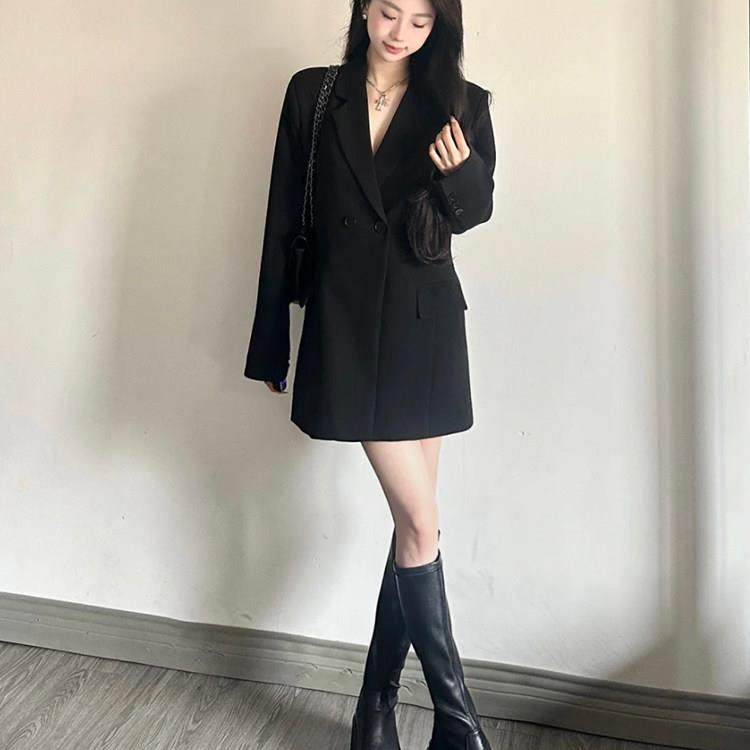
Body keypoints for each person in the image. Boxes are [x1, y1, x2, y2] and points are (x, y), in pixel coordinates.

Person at [243, 1, 496, 747]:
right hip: (346, 326)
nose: (400, 33)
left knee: (415, 526)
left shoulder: (462, 103)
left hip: (424, 325)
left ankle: (375, 710)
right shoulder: (313, 92)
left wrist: (460, 172)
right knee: (421, 524)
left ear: (438, 28)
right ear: (363, 8)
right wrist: (271, 339)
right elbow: (281, 217)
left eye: (420, 22)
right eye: (389, 13)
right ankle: (458, 724)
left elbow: (476, 211)